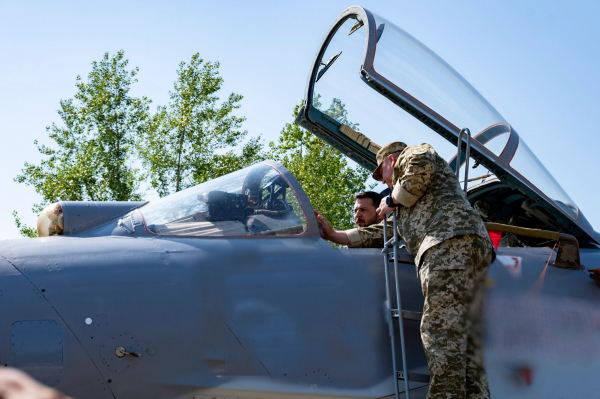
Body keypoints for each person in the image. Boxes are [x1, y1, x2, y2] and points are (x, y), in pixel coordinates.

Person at [316, 141, 493, 399]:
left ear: (391, 160)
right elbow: (377, 234)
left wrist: (390, 199)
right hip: (466, 247)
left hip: (447, 243)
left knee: (439, 330)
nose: (384, 181)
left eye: (382, 173)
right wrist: (334, 235)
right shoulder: (408, 207)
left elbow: (419, 168)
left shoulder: (414, 154)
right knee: (465, 340)